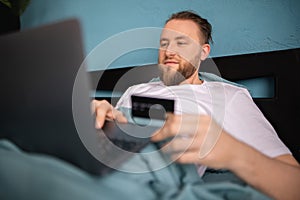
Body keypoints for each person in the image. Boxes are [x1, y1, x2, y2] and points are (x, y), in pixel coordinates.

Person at [91, 10, 300, 199]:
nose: (169, 51)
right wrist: (104, 118)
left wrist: (233, 151)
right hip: (101, 161)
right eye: (164, 43)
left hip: (149, 176)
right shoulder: (135, 90)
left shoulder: (229, 96)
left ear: (203, 52)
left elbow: (294, 184)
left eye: (181, 43)